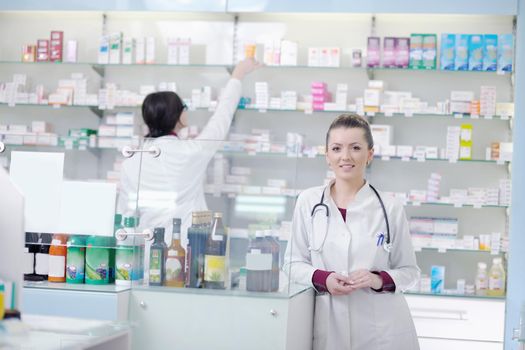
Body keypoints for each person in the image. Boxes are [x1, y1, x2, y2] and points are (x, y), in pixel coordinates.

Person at [283, 113, 420, 350]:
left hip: (381, 331)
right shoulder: (308, 201)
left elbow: (410, 272)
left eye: (355, 148)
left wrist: (378, 279)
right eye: (336, 148)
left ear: (369, 154)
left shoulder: (390, 207)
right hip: (328, 326)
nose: (345, 156)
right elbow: (292, 263)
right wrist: (323, 279)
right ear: (327, 156)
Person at [117, 59, 261, 248]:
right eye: (183, 108)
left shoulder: (131, 163)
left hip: (147, 253)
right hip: (188, 251)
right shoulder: (192, 152)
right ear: (178, 116)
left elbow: (125, 218)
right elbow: (221, 117)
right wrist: (237, 75)